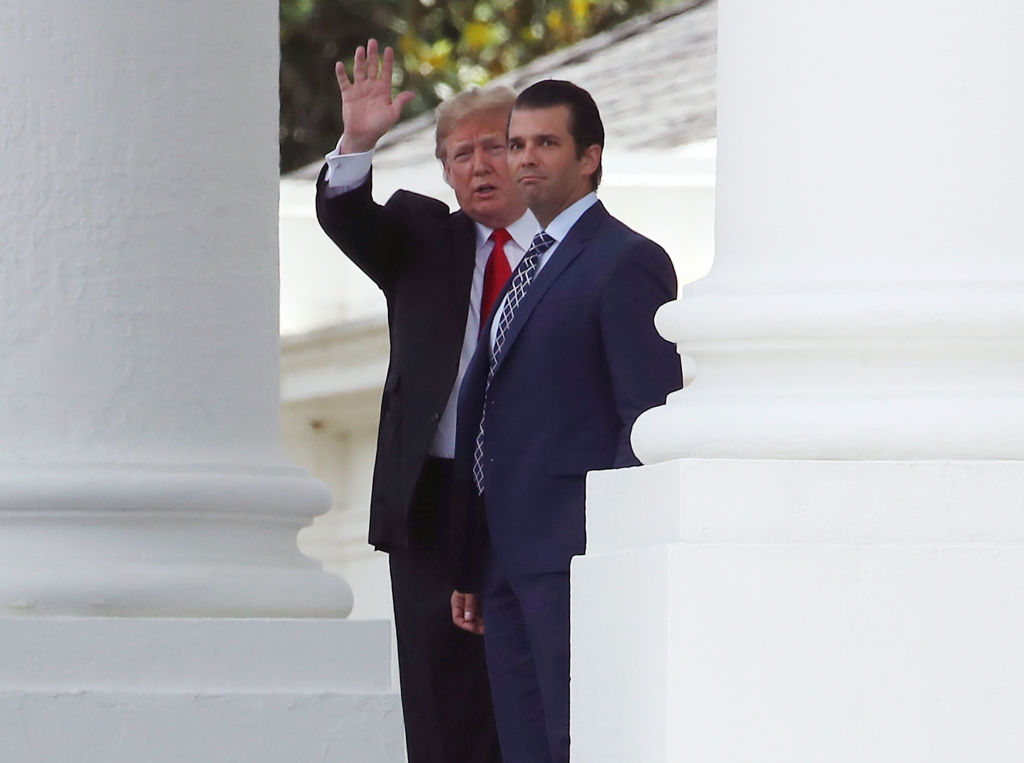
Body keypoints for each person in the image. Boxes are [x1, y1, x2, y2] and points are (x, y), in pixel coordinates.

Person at [316, 39, 538, 763]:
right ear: (445, 172)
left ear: (528, 155)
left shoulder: (571, 251)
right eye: (460, 154)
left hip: (536, 494)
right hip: (434, 502)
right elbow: (347, 216)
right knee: (441, 708)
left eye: (495, 147)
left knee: (536, 692)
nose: (479, 165)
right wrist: (358, 142)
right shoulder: (420, 241)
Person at [450, 80, 683, 763]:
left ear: (590, 157)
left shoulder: (627, 260)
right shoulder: (531, 260)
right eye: (517, 143)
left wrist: (603, 545)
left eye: (546, 143)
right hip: (504, 555)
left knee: (577, 738)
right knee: (525, 745)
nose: (525, 158)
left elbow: (645, 418)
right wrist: (474, 555)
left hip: (574, 555)